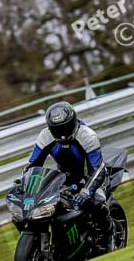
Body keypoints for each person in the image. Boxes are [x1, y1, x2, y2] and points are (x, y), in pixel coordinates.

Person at [26, 101, 113, 250]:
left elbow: (98, 169)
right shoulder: (45, 136)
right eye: (57, 129)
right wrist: (26, 183)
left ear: (73, 122)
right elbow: (33, 165)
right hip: (65, 178)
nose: (62, 133)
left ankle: (108, 238)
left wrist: (86, 191)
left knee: (98, 202)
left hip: (92, 176)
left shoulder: (87, 136)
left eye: (65, 128)